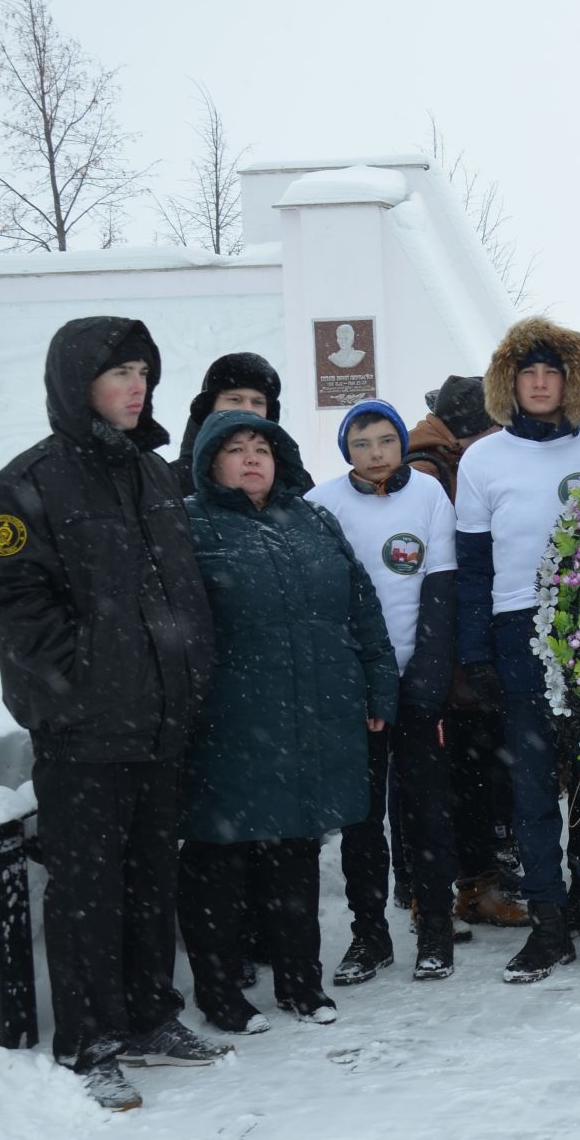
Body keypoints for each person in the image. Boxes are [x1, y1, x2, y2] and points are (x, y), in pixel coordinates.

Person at [0, 317, 224, 1110]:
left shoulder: (153, 474)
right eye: (120, 375)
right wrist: (72, 685)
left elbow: (176, 590)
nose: (137, 388)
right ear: (78, 384)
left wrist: (188, 674)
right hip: (83, 732)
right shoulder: (29, 482)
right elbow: (4, 596)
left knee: (151, 878)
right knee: (87, 890)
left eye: (144, 372)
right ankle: (88, 1041)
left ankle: (149, 1016)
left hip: (159, 723)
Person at [178, 411, 399, 1031]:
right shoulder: (190, 526)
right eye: (236, 450)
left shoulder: (312, 521)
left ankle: (302, 985)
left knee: (295, 853)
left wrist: (381, 689)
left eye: (262, 448)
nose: (253, 459)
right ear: (209, 463)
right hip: (228, 723)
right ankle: (219, 994)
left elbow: (362, 613)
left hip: (311, 718)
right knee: (218, 859)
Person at [456, 318, 580, 983]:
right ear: (510, 384)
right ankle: (548, 922)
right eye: (529, 373)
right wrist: (476, 654)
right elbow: (471, 565)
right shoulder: (482, 459)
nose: (541, 383)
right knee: (530, 792)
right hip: (517, 634)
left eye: (553, 372)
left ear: (574, 380)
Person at [306, 400, 462, 984]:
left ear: (401, 443)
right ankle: (368, 934)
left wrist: (427, 674)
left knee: (426, 811)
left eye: (385, 441)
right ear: (347, 450)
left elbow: (440, 590)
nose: (375, 454)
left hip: (417, 679)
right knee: (363, 819)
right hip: (354, 687)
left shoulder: (427, 496)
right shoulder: (320, 505)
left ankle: (436, 929)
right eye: (362, 444)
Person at [403, 377, 525, 930]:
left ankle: (443, 885)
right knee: (461, 781)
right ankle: (457, 888)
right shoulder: (432, 473)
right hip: (447, 651)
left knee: (461, 779)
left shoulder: (427, 463)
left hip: (456, 646)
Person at [172, 352, 307, 497]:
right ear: (210, 406)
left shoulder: (293, 480)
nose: (247, 409)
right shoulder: (171, 482)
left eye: (258, 402)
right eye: (235, 399)